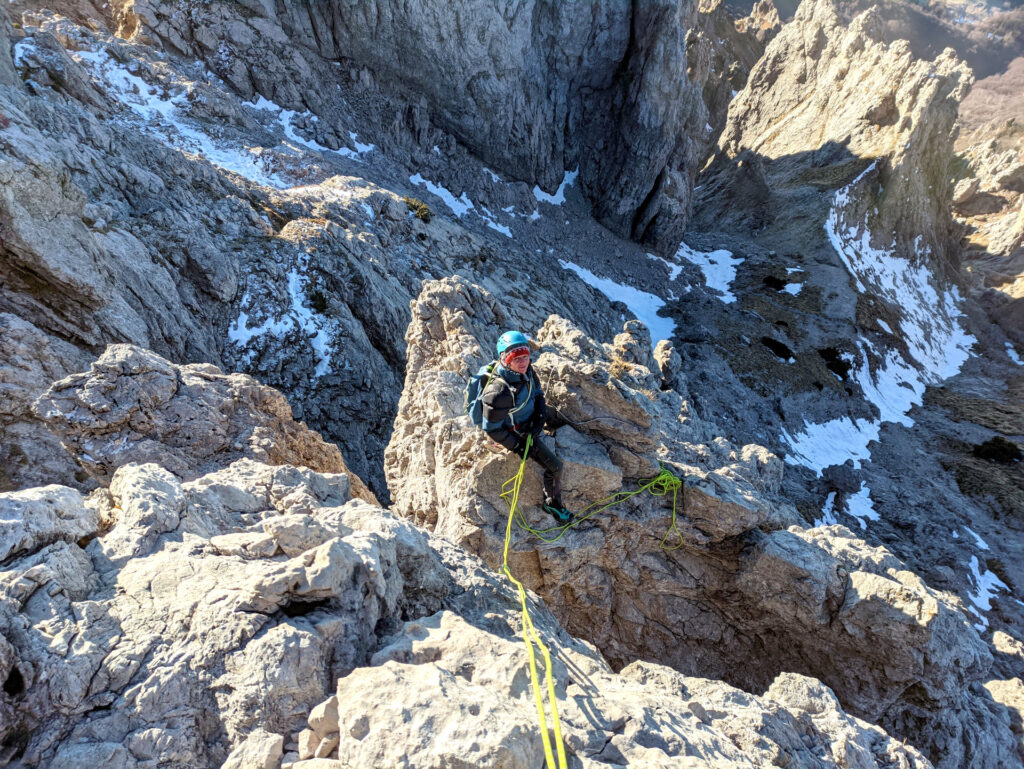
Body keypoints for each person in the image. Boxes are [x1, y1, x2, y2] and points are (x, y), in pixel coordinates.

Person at [481, 330, 573, 523]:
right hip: (519, 434)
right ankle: (552, 503)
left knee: (558, 420)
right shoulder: (499, 391)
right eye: (516, 358)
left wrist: (540, 416)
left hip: (530, 421)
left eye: (526, 357)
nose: (523, 362)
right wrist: (518, 446)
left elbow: (537, 393)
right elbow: (491, 428)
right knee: (555, 467)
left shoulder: (528, 371)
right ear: (505, 360)